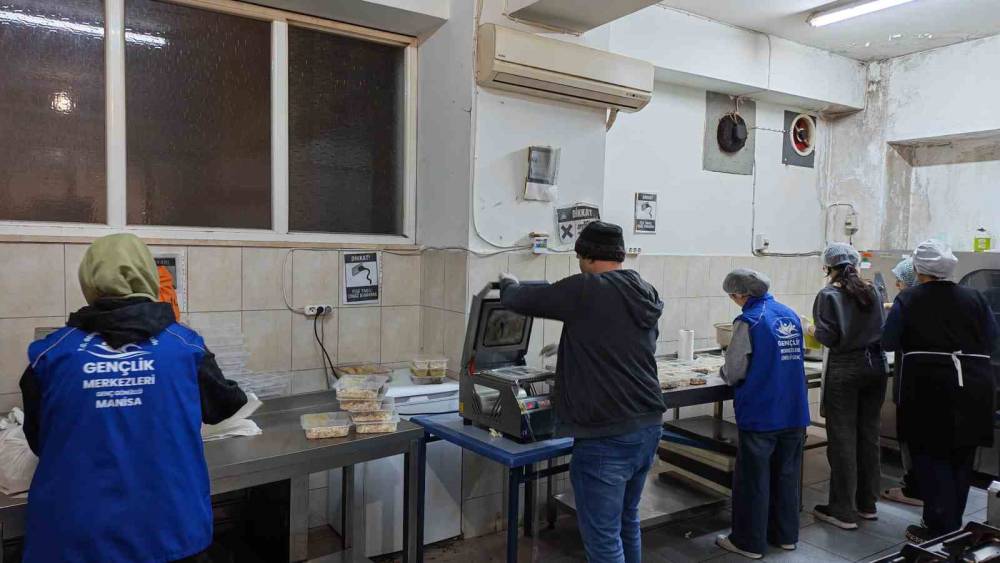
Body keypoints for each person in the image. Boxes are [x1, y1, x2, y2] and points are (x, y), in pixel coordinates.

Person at [18, 234, 248, 562]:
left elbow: (40, 439)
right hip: (169, 532)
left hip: (75, 536)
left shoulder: (52, 354)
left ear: (89, 281)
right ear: (148, 276)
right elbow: (226, 404)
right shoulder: (184, 346)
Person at [498, 221, 666, 563]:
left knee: (603, 542)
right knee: (626, 522)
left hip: (606, 436)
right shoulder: (644, 290)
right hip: (648, 425)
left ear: (586, 256)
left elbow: (523, 299)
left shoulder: (587, 289)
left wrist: (507, 284)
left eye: (579, 257)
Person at [882, 240, 998, 543]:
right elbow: (992, 338)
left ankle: (937, 532)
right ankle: (951, 526)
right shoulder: (974, 297)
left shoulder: (909, 298)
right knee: (962, 457)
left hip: (930, 389)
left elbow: (888, 340)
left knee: (931, 458)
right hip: (974, 387)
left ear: (918, 269)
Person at [714, 269, 810, 560]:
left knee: (753, 480)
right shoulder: (789, 314)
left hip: (762, 412)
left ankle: (748, 542)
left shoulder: (750, 320)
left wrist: (722, 371)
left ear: (740, 294)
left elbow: (734, 371)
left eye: (732, 296)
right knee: (786, 475)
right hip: (793, 410)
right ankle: (785, 536)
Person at [809, 242, 888, 530]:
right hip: (876, 365)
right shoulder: (873, 290)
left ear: (827, 267)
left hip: (846, 367)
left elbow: (828, 337)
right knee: (868, 435)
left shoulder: (828, 295)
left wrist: (811, 330)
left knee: (842, 438)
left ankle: (842, 510)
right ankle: (867, 504)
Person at [881, 257, 923, 508]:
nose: (897, 285)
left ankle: (914, 489)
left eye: (899, 280)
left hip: (911, 383)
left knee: (911, 437)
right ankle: (927, 487)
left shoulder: (906, 302)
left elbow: (888, 341)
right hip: (943, 385)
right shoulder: (943, 302)